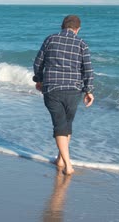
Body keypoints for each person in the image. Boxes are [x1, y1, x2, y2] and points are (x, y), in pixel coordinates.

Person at [33, 15, 94, 175]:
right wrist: (88, 91)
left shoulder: (50, 40)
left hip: (52, 88)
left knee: (60, 125)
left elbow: (38, 62)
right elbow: (88, 70)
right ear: (78, 29)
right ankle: (61, 159)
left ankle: (67, 164)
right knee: (66, 125)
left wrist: (38, 80)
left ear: (62, 26)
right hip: (74, 91)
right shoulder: (82, 44)